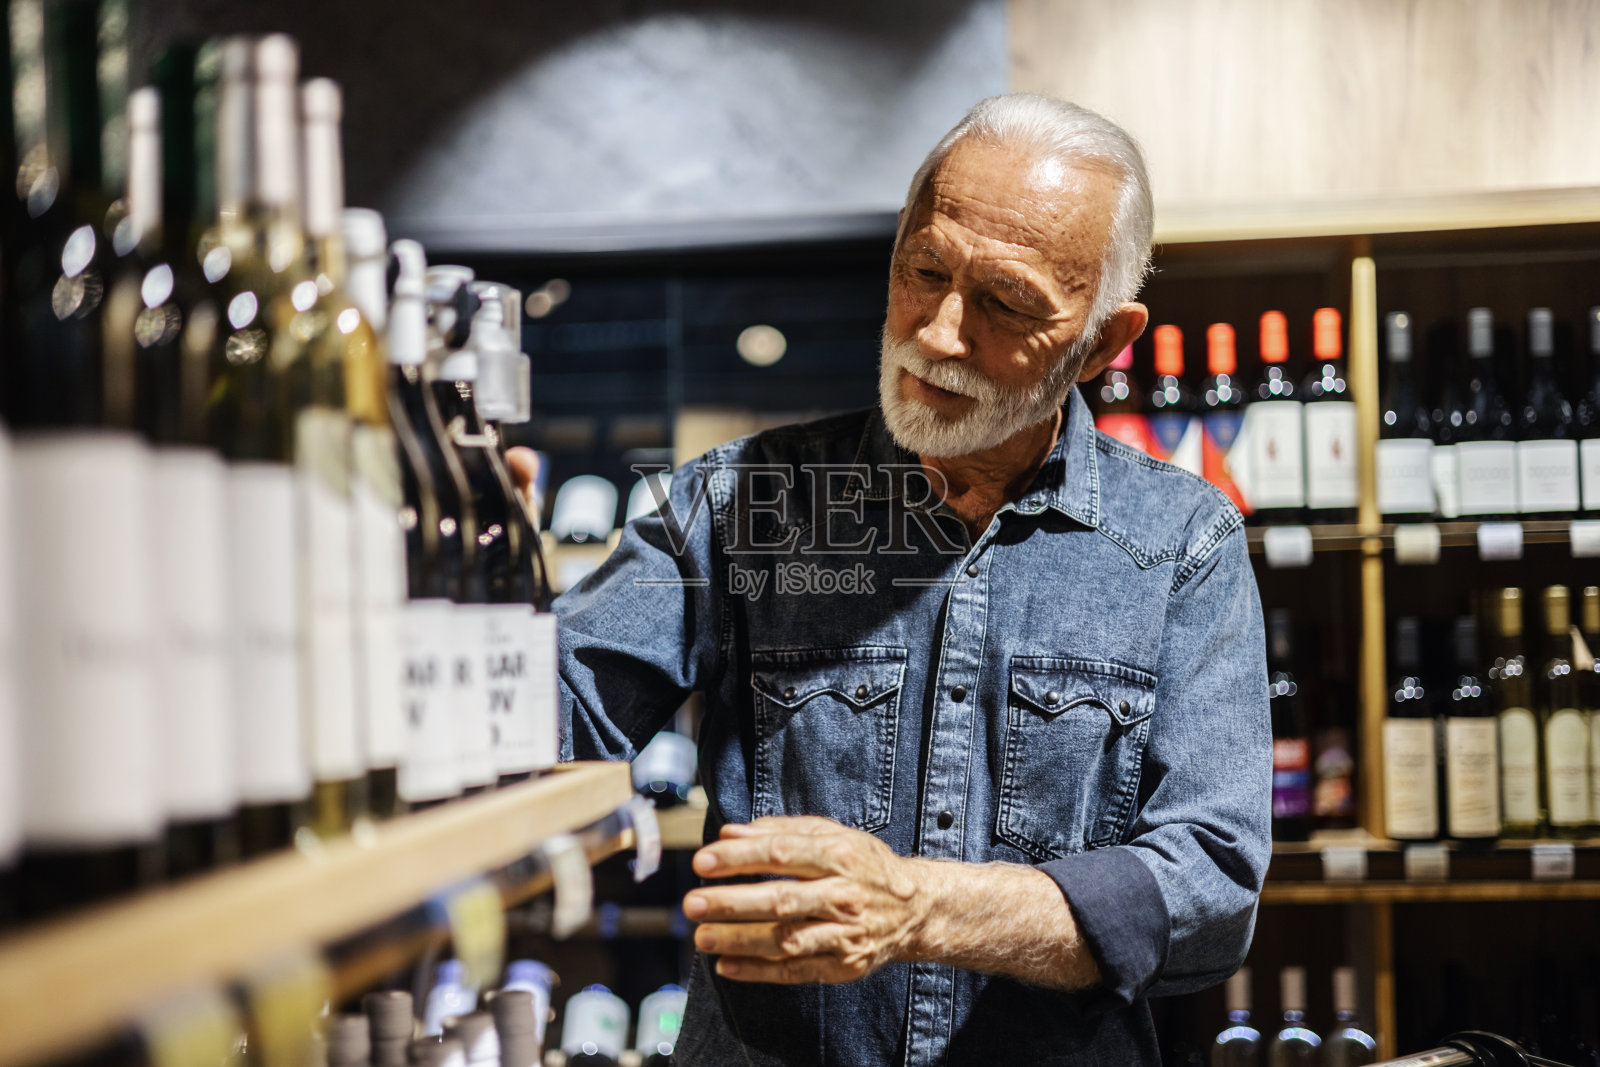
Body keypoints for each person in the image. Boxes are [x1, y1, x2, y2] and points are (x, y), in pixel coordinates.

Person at [517, 93, 1271, 1066]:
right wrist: (474, 575)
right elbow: (546, 719)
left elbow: (1208, 886)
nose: (941, 333)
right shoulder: (737, 503)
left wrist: (919, 907)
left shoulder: (1180, 542)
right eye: (924, 270)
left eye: (1005, 302)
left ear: (1103, 341)